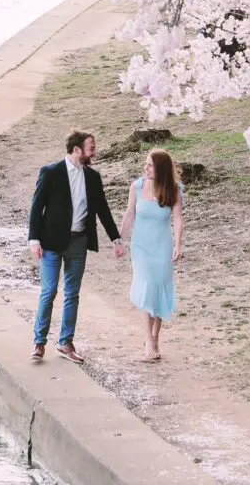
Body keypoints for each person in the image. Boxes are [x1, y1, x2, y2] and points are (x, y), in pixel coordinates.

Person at [28, 129, 124, 363]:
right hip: (51, 242)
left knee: (72, 294)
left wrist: (116, 238)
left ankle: (65, 342)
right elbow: (36, 207)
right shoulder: (51, 172)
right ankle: (39, 342)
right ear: (77, 150)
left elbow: (103, 209)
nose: (94, 151)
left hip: (79, 241)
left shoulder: (92, 177)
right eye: (91, 147)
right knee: (49, 291)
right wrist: (34, 239)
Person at [120, 148, 183, 361]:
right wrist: (119, 239)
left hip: (162, 246)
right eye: (145, 164)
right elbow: (130, 214)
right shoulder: (136, 187)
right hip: (141, 247)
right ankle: (148, 340)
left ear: (161, 169)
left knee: (159, 289)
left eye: (150, 165)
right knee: (147, 287)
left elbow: (178, 218)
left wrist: (177, 244)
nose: (145, 168)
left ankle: (156, 337)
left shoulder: (173, 190)